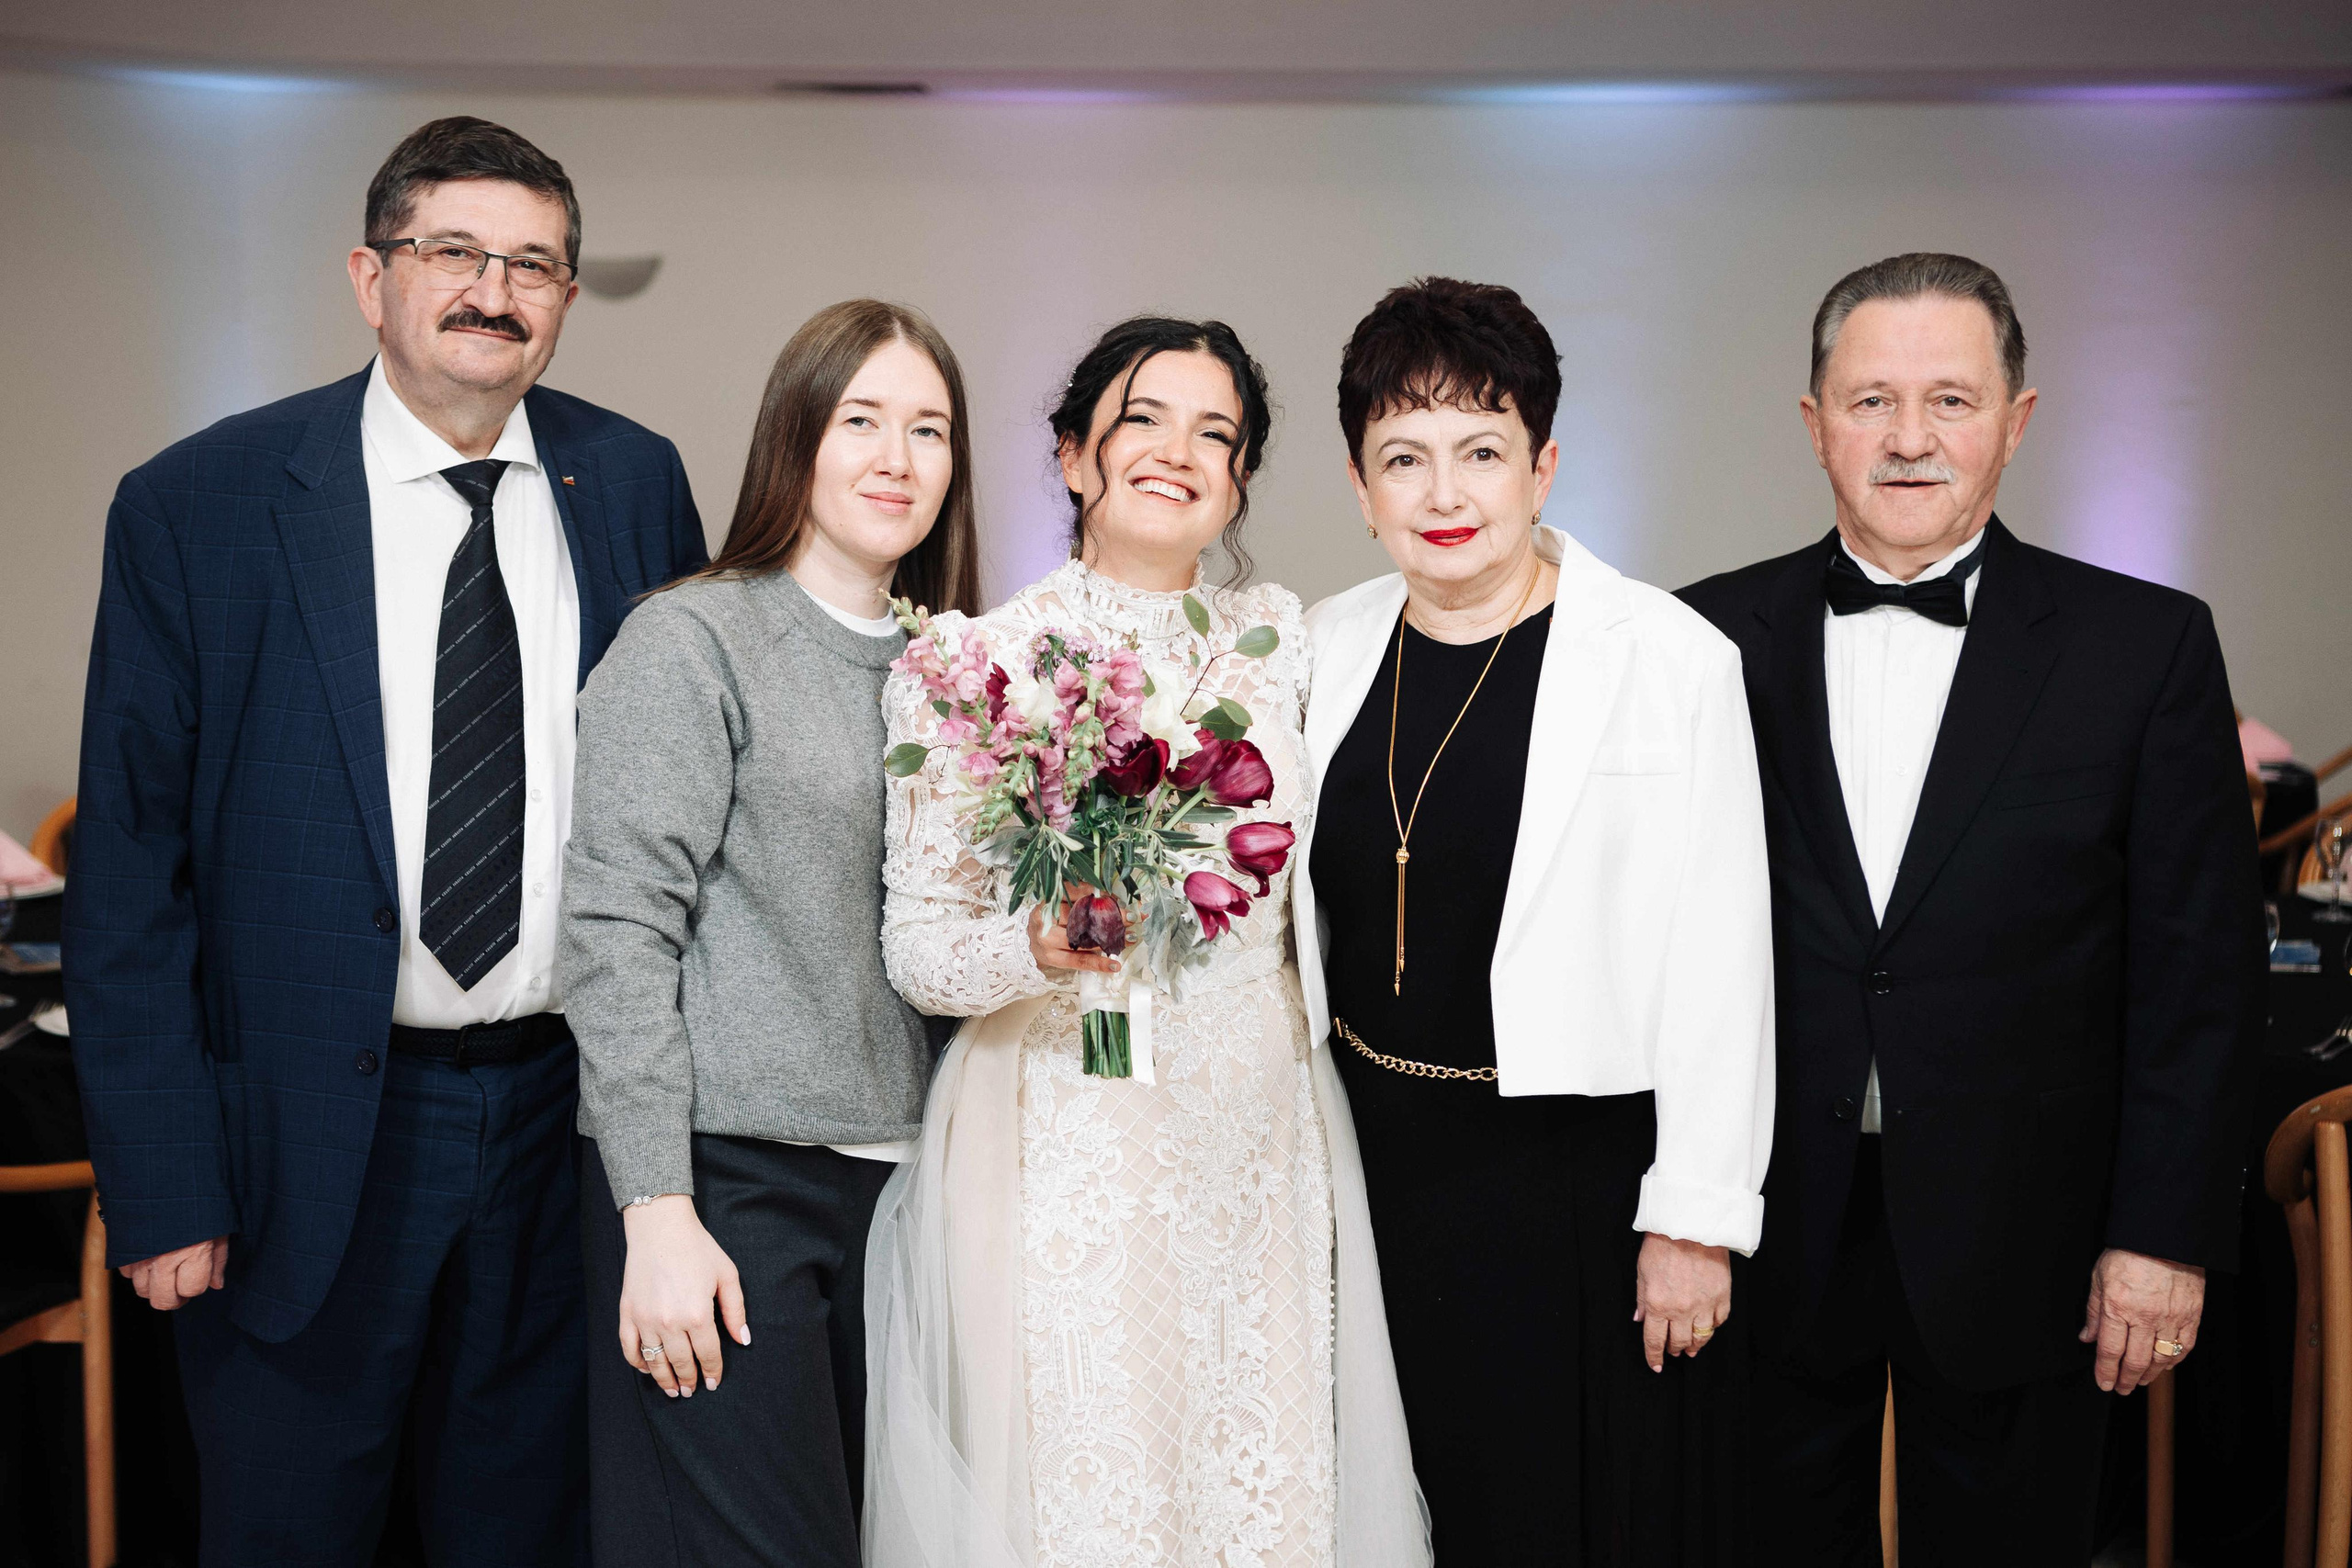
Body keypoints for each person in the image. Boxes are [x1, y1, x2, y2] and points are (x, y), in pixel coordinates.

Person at [63, 117, 707, 1565]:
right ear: (371, 278)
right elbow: (130, 881)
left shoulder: (636, 485)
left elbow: (683, 820)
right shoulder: (200, 506)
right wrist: (163, 1181)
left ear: (565, 299)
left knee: (525, 1531)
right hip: (300, 1141)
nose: (496, 288)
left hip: (560, 1126)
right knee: (292, 1529)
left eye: (534, 262)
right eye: (454, 253)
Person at [1678, 252, 2266, 1564]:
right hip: (1766, 1219)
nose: (1907, 438)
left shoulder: (2148, 646)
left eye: (1950, 399)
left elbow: (2198, 977)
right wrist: (1673, 1213)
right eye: (1871, 399)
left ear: (2018, 417)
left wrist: (2161, 1236)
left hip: (2033, 1230)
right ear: (1816, 421)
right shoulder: (1699, 641)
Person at [864, 317, 1428, 1568]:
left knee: (1262, 1484)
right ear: (1073, 455)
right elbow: (921, 949)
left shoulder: (1288, 641)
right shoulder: (975, 666)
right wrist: (1041, 946)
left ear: (1238, 481)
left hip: (1257, 1136)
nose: (1182, 452)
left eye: (1217, 435)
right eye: (1145, 419)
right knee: (1093, 1486)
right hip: (1069, 1138)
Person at [1296, 276, 1774, 1563]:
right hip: (1370, 1164)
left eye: (1482, 453)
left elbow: (1722, 961)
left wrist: (1695, 1215)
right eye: (1405, 458)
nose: (1445, 496)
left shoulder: (1668, 658)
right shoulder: (1315, 649)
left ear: (1544, 464)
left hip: (1570, 1184)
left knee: (1556, 1521)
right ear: (1359, 485)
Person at [560, 299, 982, 1568]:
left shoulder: (961, 667)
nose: (896, 459)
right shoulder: (694, 639)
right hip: (727, 1186)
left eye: (929, 429)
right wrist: (656, 1211)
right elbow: (614, 933)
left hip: (911, 1188)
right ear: (796, 434)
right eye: (862, 420)